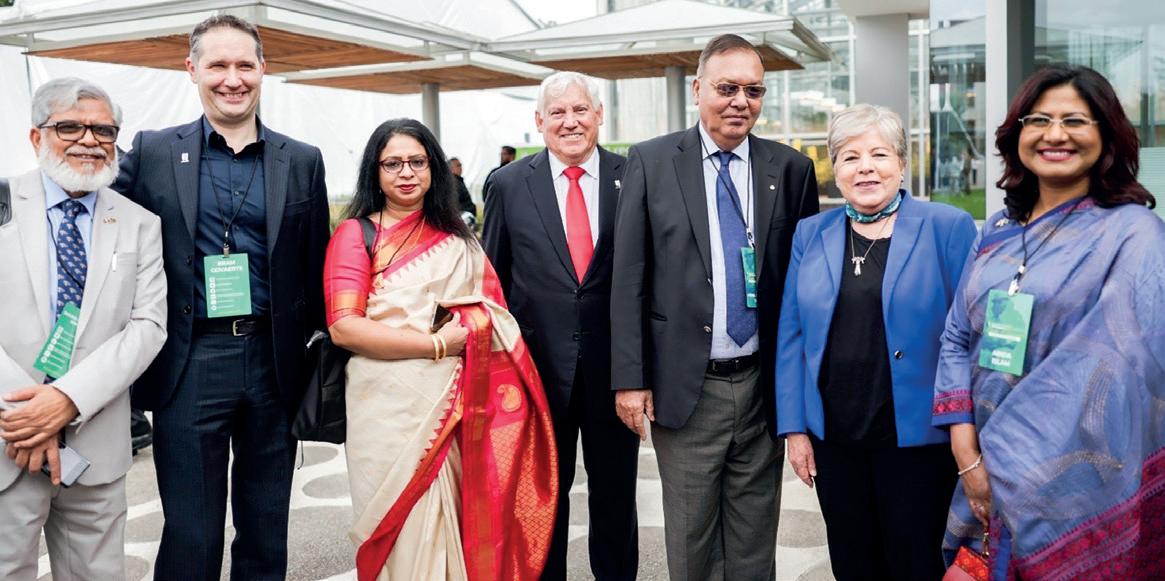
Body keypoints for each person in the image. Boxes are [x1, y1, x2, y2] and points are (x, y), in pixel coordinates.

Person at [112, 15, 330, 580]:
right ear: (192, 70)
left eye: (244, 65)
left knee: (265, 527)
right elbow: (97, 215)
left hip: (274, 362)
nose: (232, 79)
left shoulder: (301, 160)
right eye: (218, 65)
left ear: (263, 69)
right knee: (192, 531)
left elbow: (317, 265)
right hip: (190, 360)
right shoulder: (154, 152)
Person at [933, 64, 1165, 579]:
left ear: (1106, 135)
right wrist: (965, 448)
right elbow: (956, 337)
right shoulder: (996, 230)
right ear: (1017, 134)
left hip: (1076, 487)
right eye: (1039, 120)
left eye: (1075, 121)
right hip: (979, 467)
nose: (1055, 134)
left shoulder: (1135, 235)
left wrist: (1009, 459)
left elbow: (1135, 371)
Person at [610, 34, 819, 580]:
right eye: (727, 89)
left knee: (755, 539)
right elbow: (628, 276)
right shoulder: (652, 161)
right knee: (691, 539)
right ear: (698, 89)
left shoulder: (790, 169)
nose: (740, 102)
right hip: (686, 385)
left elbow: (804, 288)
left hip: (762, 387)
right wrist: (630, 379)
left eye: (754, 90)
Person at [325, 117, 558, 580]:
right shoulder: (355, 235)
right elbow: (344, 328)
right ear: (375, 171)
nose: (406, 173)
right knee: (399, 532)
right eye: (393, 164)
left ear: (433, 168)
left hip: (456, 409)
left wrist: (471, 324)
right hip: (385, 415)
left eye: (417, 162)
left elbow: (495, 314)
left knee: (457, 524)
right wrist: (435, 343)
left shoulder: (458, 242)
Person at [776, 104, 977, 581]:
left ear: (902, 164)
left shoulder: (947, 227)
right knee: (852, 564)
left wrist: (968, 432)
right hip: (834, 439)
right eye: (850, 157)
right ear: (835, 170)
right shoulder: (811, 233)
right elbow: (791, 336)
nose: (865, 167)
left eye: (879, 154)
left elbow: (971, 334)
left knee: (916, 563)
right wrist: (795, 430)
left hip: (920, 440)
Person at [0, 77, 167, 579]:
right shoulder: (3, 204)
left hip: (96, 446)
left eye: (104, 130)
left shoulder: (140, 223)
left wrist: (67, 399)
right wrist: (30, 416)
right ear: (37, 136)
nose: (89, 140)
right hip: (9, 440)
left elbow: (148, 325)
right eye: (69, 127)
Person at [483, 71, 639, 581]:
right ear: (539, 121)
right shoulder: (508, 184)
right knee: (543, 499)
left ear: (599, 115)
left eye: (580, 110)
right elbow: (494, 283)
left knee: (616, 497)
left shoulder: (633, 175)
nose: (570, 122)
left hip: (616, 374)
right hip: (537, 374)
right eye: (557, 112)